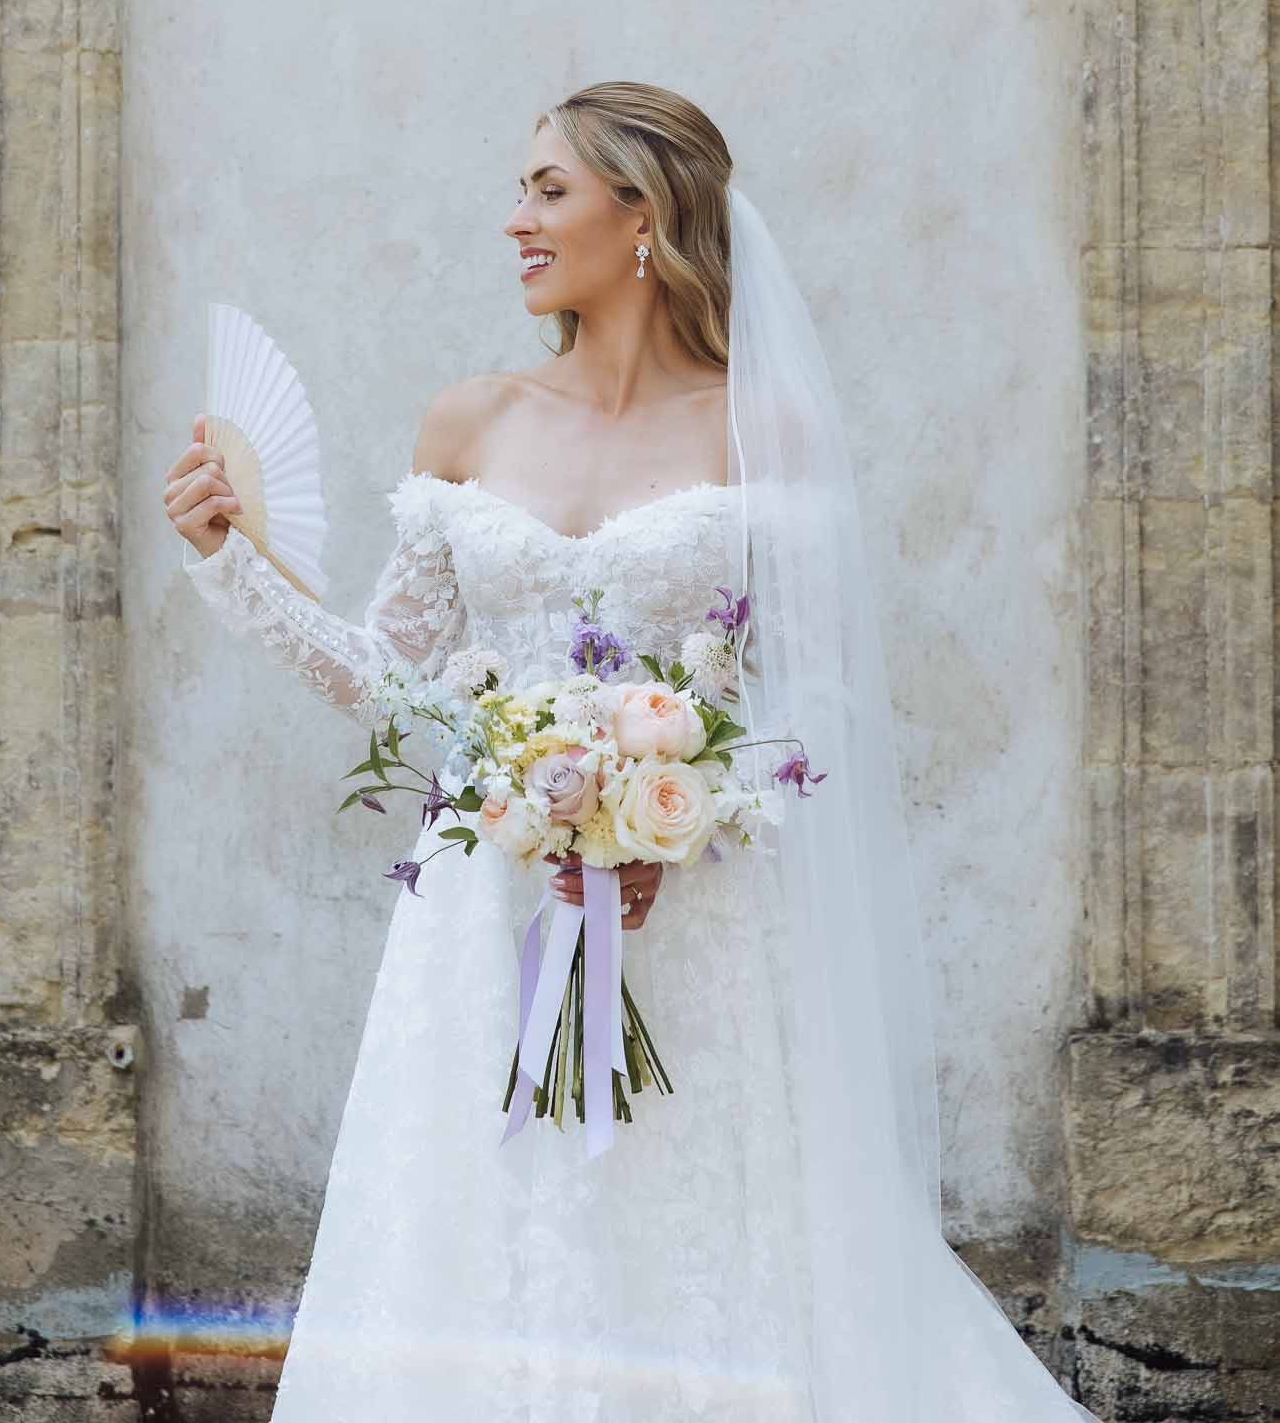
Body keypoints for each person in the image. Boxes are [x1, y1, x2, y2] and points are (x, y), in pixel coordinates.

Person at [163, 82, 1102, 1421]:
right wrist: (229, 567)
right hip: (490, 907)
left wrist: (688, 813)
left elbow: (818, 706)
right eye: (520, 190)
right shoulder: (469, 423)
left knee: (703, 1220)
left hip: (703, 917)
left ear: (643, 215)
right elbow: (391, 683)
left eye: (547, 190)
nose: (514, 222)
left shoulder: (759, 433)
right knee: (490, 1224)